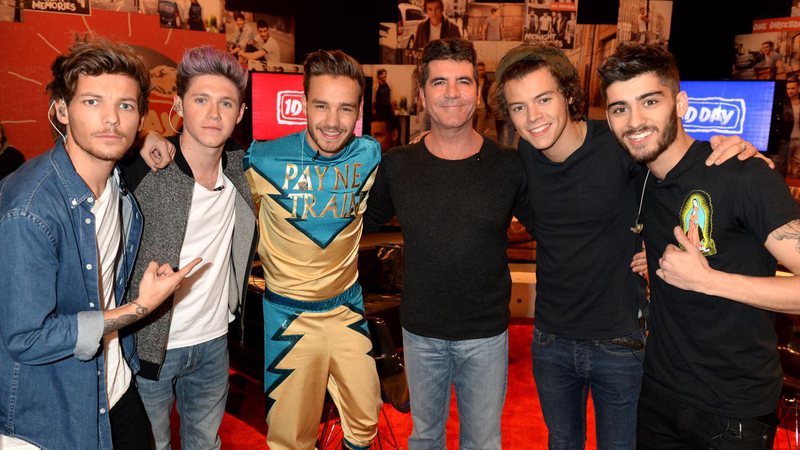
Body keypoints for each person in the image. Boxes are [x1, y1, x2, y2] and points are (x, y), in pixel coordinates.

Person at [491, 43, 760, 450]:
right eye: (518, 107)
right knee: (561, 443)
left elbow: (678, 177)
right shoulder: (522, 159)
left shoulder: (619, 146)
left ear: (568, 94)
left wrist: (731, 147)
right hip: (550, 340)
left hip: (619, 341)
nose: (533, 117)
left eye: (543, 99)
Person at [598, 43, 800, 450]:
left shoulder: (742, 174)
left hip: (733, 410)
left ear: (681, 103)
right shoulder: (641, 180)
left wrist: (709, 280)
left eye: (649, 101)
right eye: (620, 108)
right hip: (659, 393)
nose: (635, 121)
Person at [0, 37, 199, 450]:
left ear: (141, 116)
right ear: (61, 110)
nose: (111, 119)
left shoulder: (116, 185)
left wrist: (147, 142)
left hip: (114, 385)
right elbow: (27, 339)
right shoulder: (28, 210)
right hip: (52, 407)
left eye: (125, 106)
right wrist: (140, 308)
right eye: (92, 102)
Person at [365, 37, 535, 450]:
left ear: (478, 92)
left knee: (482, 442)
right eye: (439, 83)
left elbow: (554, 226)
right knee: (425, 439)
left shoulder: (509, 164)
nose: (452, 93)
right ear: (421, 95)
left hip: (486, 335)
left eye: (463, 81)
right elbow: (356, 222)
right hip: (421, 332)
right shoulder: (398, 164)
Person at [245, 49, 382, 450]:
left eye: (345, 109)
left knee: (365, 423)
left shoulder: (369, 155)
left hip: (347, 311)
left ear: (358, 111)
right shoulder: (261, 157)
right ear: (303, 103)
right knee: (292, 439)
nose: (332, 121)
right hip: (289, 318)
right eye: (321, 105)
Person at [121, 46, 256, 450]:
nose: (214, 114)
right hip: (148, 346)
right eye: (201, 100)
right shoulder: (143, 166)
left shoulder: (242, 169)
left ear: (241, 113)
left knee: (205, 445)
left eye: (226, 103)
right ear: (178, 104)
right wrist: (141, 137)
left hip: (214, 343)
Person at [473, 61, 492, 134]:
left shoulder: (487, 83)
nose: (481, 72)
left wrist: (489, 109)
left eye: (483, 70)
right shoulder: (472, 81)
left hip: (482, 109)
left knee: (479, 129)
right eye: (479, 70)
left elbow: (489, 96)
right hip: (473, 108)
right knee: (471, 129)